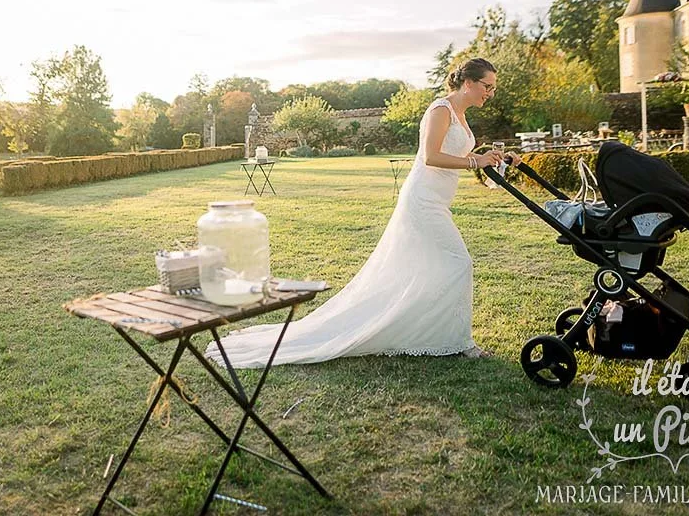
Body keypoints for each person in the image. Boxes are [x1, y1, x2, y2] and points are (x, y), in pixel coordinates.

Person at [206, 57, 518, 368]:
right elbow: (432, 156)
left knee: (430, 267)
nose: (489, 93)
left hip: (438, 201)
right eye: (486, 86)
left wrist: (489, 157)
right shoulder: (441, 110)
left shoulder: (461, 115)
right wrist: (475, 162)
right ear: (468, 83)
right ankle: (459, 341)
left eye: (492, 88)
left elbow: (457, 155)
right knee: (458, 261)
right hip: (423, 200)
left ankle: (435, 333)